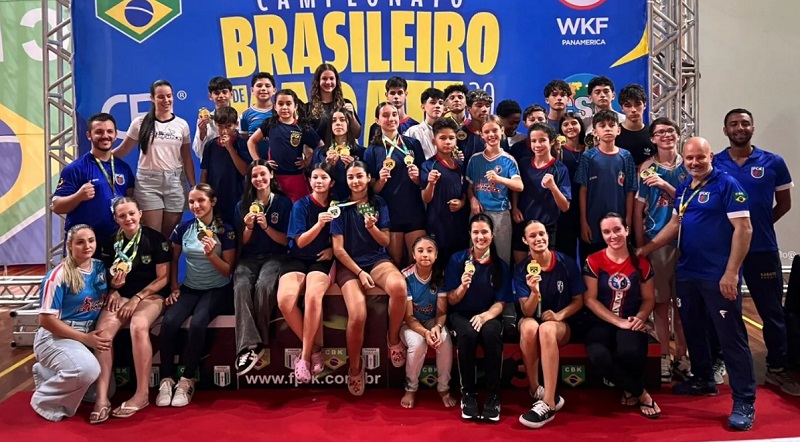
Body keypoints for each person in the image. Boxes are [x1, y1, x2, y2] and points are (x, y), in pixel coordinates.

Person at [637, 137, 756, 431]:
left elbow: (744, 229)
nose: (694, 163)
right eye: (689, 158)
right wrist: (646, 249)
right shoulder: (685, 189)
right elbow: (675, 224)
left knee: (731, 337)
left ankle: (744, 400)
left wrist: (731, 272)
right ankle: (703, 379)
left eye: (700, 157)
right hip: (688, 272)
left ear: (711, 156)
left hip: (718, 276)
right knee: (693, 328)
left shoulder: (727, 185)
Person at [713, 108, 799, 396]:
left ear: (752, 127)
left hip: (762, 249)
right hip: (724, 252)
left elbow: (784, 204)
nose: (740, 127)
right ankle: (720, 361)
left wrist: (752, 229)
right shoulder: (715, 163)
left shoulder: (773, 162)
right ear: (725, 130)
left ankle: (777, 368)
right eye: (734, 124)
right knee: (724, 310)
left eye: (745, 123)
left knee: (772, 311)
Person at [331, 161, 408, 396]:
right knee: (357, 315)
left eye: (359, 176)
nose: (355, 181)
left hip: (376, 260)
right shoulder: (339, 208)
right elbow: (338, 250)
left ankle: (393, 339)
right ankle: (355, 367)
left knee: (399, 287)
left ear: (368, 179)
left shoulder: (379, 203)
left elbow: (385, 241)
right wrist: (359, 272)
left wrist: (372, 227)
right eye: (351, 177)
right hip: (350, 266)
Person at [156, 184, 236, 408]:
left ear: (213, 201)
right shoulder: (183, 228)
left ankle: (187, 380)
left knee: (199, 323)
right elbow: (173, 259)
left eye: (201, 200)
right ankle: (166, 379)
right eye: (191, 202)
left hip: (218, 289)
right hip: (190, 288)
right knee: (169, 322)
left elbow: (228, 270)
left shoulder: (225, 230)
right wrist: (174, 287)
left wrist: (211, 255)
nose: (196, 205)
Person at [92, 197, 169, 422]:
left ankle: (141, 394)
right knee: (102, 334)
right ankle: (102, 398)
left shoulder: (155, 239)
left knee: (138, 326)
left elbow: (163, 278)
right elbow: (105, 278)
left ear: (140, 214)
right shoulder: (109, 243)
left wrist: (137, 298)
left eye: (132, 213)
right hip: (121, 296)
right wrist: (114, 289)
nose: (128, 219)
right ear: (116, 219)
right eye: (122, 215)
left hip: (150, 296)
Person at [584, 213, 660, 419]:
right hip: (600, 321)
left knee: (630, 350)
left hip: (631, 319)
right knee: (598, 355)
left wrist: (640, 318)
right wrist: (618, 322)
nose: (613, 235)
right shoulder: (593, 260)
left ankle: (628, 388)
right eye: (606, 232)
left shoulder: (642, 263)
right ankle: (640, 392)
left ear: (626, 230)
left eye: (617, 229)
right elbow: (589, 300)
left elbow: (649, 299)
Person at [632, 117, 690, 383]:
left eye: (670, 131)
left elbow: (691, 201)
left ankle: (682, 356)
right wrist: (640, 244)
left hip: (688, 242)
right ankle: (664, 354)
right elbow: (638, 210)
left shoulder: (689, 165)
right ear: (652, 139)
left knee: (683, 303)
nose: (666, 135)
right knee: (661, 302)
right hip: (657, 242)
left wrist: (666, 185)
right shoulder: (647, 168)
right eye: (660, 132)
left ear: (678, 134)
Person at [31, 224, 108, 422]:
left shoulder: (100, 267)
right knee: (88, 370)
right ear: (69, 245)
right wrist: (85, 338)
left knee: (103, 391)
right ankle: (43, 402)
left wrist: (116, 290)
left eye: (91, 241)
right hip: (57, 335)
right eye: (80, 242)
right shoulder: (57, 276)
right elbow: (46, 320)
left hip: (85, 334)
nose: (87, 246)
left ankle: (47, 373)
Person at [515, 221, 585, 428]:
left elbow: (579, 300)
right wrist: (534, 291)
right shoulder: (521, 270)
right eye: (533, 236)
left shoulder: (566, 263)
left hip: (560, 324)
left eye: (542, 234)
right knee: (529, 327)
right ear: (525, 240)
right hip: (533, 318)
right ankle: (535, 389)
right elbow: (527, 312)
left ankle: (549, 403)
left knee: (545, 329)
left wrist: (559, 315)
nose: (538, 239)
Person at [443, 213, 513, 422]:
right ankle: (468, 395)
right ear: (470, 235)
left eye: (484, 232)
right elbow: (451, 299)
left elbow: (500, 303)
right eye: (476, 232)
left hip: (488, 314)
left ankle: (493, 397)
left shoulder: (500, 266)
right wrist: (463, 286)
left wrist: (485, 316)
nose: (480, 236)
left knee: (492, 333)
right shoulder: (457, 260)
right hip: (461, 315)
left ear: (492, 235)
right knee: (467, 334)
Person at [113, 79, 196, 239]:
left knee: (167, 238)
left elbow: (186, 157)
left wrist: (193, 185)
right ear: (152, 98)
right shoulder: (140, 123)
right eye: (161, 97)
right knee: (153, 235)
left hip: (175, 182)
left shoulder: (182, 125)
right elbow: (123, 150)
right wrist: (96, 159)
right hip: (148, 184)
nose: (166, 100)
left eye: (169, 96)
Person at [232, 160, 293, 375]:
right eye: (254, 176)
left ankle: (258, 343)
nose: (259, 179)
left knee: (264, 286)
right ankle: (249, 344)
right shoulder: (242, 205)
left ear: (271, 175)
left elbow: (285, 241)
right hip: (249, 258)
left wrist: (266, 227)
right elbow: (241, 243)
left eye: (262, 174)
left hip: (275, 256)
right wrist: (249, 227)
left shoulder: (283, 203)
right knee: (241, 285)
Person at [278, 162, 336, 383]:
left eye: (323, 177)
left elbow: (344, 237)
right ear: (309, 181)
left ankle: (304, 357)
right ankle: (315, 349)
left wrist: (333, 249)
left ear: (332, 182)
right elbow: (300, 242)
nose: (319, 181)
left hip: (322, 261)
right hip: (297, 258)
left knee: (313, 297)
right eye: (315, 178)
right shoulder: (300, 205)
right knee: (285, 301)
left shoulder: (337, 206)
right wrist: (319, 225)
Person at [53, 113, 135, 245]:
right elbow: (57, 206)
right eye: (99, 132)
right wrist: (78, 196)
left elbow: (131, 200)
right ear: (89, 135)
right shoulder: (75, 168)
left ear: (115, 135)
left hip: (117, 241)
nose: (105, 136)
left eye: (109, 131)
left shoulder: (123, 168)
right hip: (86, 243)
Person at [364, 102, 427, 265]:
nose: (391, 118)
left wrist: (417, 178)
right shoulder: (371, 151)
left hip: (414, 210)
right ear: (377, 121)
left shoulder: (413, 144)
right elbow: (372, 190)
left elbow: (424, 181)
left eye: (394, 114)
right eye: (385, 115)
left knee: (416, 261)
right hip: (390, 213)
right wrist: (381, 180)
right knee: (396, 262)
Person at [399, 236, 456, 409]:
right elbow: (409, 317)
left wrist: (437, 327)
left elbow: (441, 312)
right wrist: (425, 333)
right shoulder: (405, 276)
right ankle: (411, 388)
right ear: (413, 255)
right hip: (409, 324)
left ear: (436, 255)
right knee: (418, 344)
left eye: (430, 251)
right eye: (420, 251)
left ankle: (443, 388)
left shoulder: (440, 275)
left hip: (432, 321)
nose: (425, 254)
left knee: (444, 340)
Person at [575, 110, 637, 259]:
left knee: (618, 262)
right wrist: (583, 221)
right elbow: (583, 189)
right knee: (591, 262)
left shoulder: (626, 156)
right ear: (595, 132)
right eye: (602, 126)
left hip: (619, 219)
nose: (607, 129)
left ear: (618, 130)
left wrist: (628, 219)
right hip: (593, 220)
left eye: (611, 125)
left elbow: (630, 190)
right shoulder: (588, 156)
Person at [247, 89, 323, 202]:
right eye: (280, 104)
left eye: (288, 104)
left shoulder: (302, 127)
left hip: (296, 177)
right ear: (275, 106)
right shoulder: (270, 124)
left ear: (295, 106)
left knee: (300, 206)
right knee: (278, 208)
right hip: (275, 177)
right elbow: (251, 141)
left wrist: (307, 161)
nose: (284, 107)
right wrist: (260, 163)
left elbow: (320, 146)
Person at [466, 115, 523, 264]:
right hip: (478, 213)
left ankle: (502, 279)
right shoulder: (475, 159)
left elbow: (519, 186)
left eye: (495, 130)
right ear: (481, 134)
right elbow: (469, 187)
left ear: (502, 130)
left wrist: (499, 179)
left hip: (500, 213)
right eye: (487, 132)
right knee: (476, 255)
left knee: (502, 256)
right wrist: (472, 199)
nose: (491, 135)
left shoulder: (508, 160)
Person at [511, 123, 571, 264]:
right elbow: (516, 188)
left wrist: (553, 187)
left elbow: (565, 207)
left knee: (544, 268)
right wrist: (515, 207)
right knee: (521, 266)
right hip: (522, 223)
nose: (537, 145)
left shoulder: (560, 169)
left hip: (547, 226)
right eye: (534, 141)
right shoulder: (523, 163)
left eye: (542, 140)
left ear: (551, 142)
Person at [420, 118, 469, 261]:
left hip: (459, 224)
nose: (447, 142)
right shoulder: (428, 165)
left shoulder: (461, 165)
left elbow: (465, 192)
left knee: (459, 261)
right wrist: (431, 183)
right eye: (442, 138)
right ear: (434, 141)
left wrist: (462, 203)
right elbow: (426, 198)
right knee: (440, 262)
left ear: (456, 141)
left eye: (451, 138)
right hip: (438, 224)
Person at [200, 106, 253, 225]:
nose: (224, 131)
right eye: (220, 126)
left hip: (237, 196)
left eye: (228, 126)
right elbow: (205, 172)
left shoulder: (242, 144)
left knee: (238, 229)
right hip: (216, 197)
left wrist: (230, 148)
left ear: (236, 125)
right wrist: (204, 194)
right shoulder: (210, 146)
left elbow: (245, 171)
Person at [314, 107, 365, 202]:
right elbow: (314, 181)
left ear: (349, 124)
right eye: (334, 121)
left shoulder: (361, 153)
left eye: (342, 120)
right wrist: (327, 168)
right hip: (327, 202)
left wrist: (354, 167)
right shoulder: (320, 153)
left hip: (353, 202)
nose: (338, 123)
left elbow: (367, 183)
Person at [554, 112, 586, 259]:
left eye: (574, 123)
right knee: (567, 251)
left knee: (587, 250)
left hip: (587, 205)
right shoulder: (557, 151)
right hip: (566, 206)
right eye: (565, 124)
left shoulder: (589, 149)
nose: (570, 127)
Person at [307, 63, 362, 141]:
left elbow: (357, 134)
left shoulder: (345, 103)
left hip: (343, 148)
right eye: (324, 78)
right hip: (319, 149)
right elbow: (307, 138)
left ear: (336, 81)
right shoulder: (308, 108)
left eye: (331, 78)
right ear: (318, 81)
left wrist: (352, 116)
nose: (328, 82)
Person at [192, 76, 234, 158]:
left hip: (234, 163)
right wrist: (202, 132)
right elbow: (198, 153)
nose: (221, 96)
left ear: (231, 94)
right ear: (210, 96)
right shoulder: (204, 121)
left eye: (224, 92)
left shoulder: (238, 119)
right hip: (212, 163)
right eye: (217, 93)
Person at [367, 76, 418, 141]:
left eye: (400, 93)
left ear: (406, 94)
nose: (396, 96)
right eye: (392, 93)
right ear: (386, 95)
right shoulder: (376, 127)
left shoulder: (415, 126)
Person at [615, 84, 655, 166]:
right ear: (622, 108)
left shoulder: (653, 134)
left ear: (645, 105)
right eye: (628, 105)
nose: (633, 110)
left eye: (637, 104)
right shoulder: (613, 133)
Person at [240, 72, 276, 160]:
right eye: (259, 86)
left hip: (279, 162)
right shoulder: (245, 115)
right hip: (256, 163)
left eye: (267, 86)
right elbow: (245, 140)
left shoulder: (281, 112)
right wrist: (257, 162)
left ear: (274, 90)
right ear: (252, 90)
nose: (263, 89)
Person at [404, 87, 446, 159]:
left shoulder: (449, 132)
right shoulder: (413, 132)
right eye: (433, 102)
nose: (437, 106)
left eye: (440, 103)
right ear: (423, 107)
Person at [458, 90, 493, 162]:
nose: (484, 110)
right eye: (479, 106)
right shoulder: (459, 134)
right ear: (468, 109)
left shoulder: (496, 134)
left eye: (487, 106)